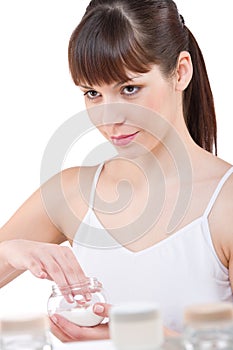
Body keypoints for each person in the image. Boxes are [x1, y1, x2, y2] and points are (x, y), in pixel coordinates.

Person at [1, 0, 233, 343]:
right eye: (93, 93)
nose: (109, 118)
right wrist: (10, 251)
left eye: (129, 89)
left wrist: (156, 339)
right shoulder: (72, 194)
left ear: (181, 72)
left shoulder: (224, 204)